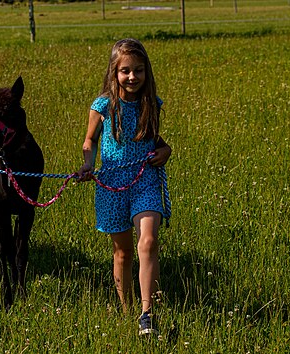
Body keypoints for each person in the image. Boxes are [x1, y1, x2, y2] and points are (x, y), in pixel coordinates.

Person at [76, 38, 172, 336]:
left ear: (147, 72)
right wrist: (87, 164)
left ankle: (147, 314)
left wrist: (165, 152)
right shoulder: (102, 106)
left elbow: (157, 142)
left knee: (148, 241)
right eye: (125, 71)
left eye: (139, 70)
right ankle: (126, 309)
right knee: (123, 253)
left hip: (145, 180)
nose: (132, 77)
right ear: (114, 72)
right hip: (112, 185)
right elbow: (89, 140)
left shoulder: (151, 104)